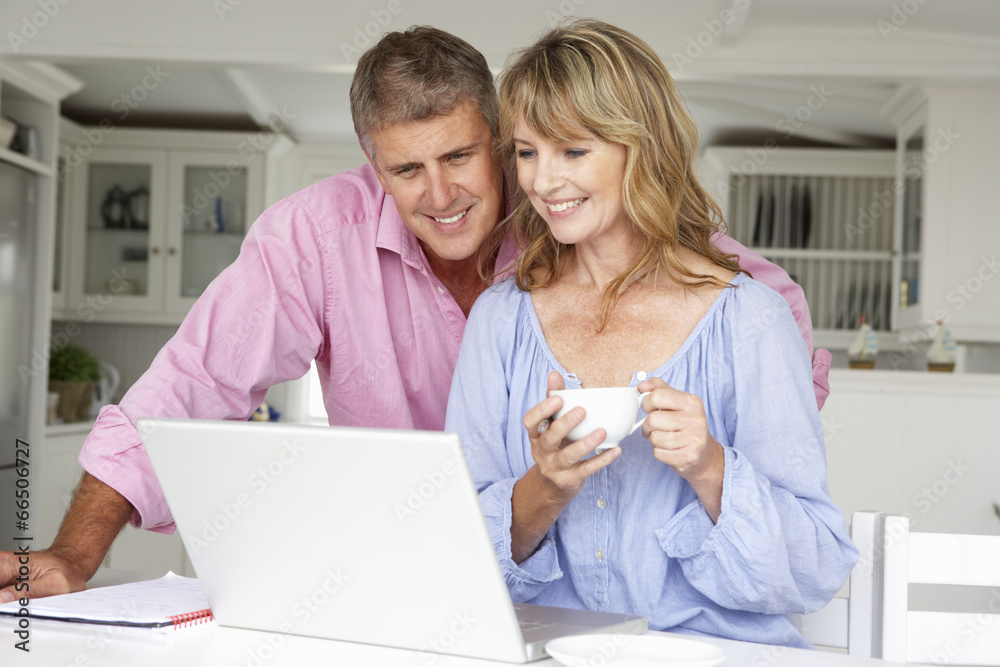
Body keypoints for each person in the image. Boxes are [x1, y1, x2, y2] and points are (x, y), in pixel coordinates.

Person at [0, 25, 826, 604]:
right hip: (407, 560)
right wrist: (75, 554)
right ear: (371, 163)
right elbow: (187, 385)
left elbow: (758, 316)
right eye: (406, 169)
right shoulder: (317, 236)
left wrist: (716, 451)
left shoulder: (575, 214)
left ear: (499, 138)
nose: (440, 196)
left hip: (575, 582)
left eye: (462, 156)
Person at [444, 19, 856, 648]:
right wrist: (546, 484)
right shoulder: (501, 320)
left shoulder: (751, 320)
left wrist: (709, 464)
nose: (542, 182)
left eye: (573, 151)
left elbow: (813, 569)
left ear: (642, 148)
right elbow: (453, 561)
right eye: (527, 152)